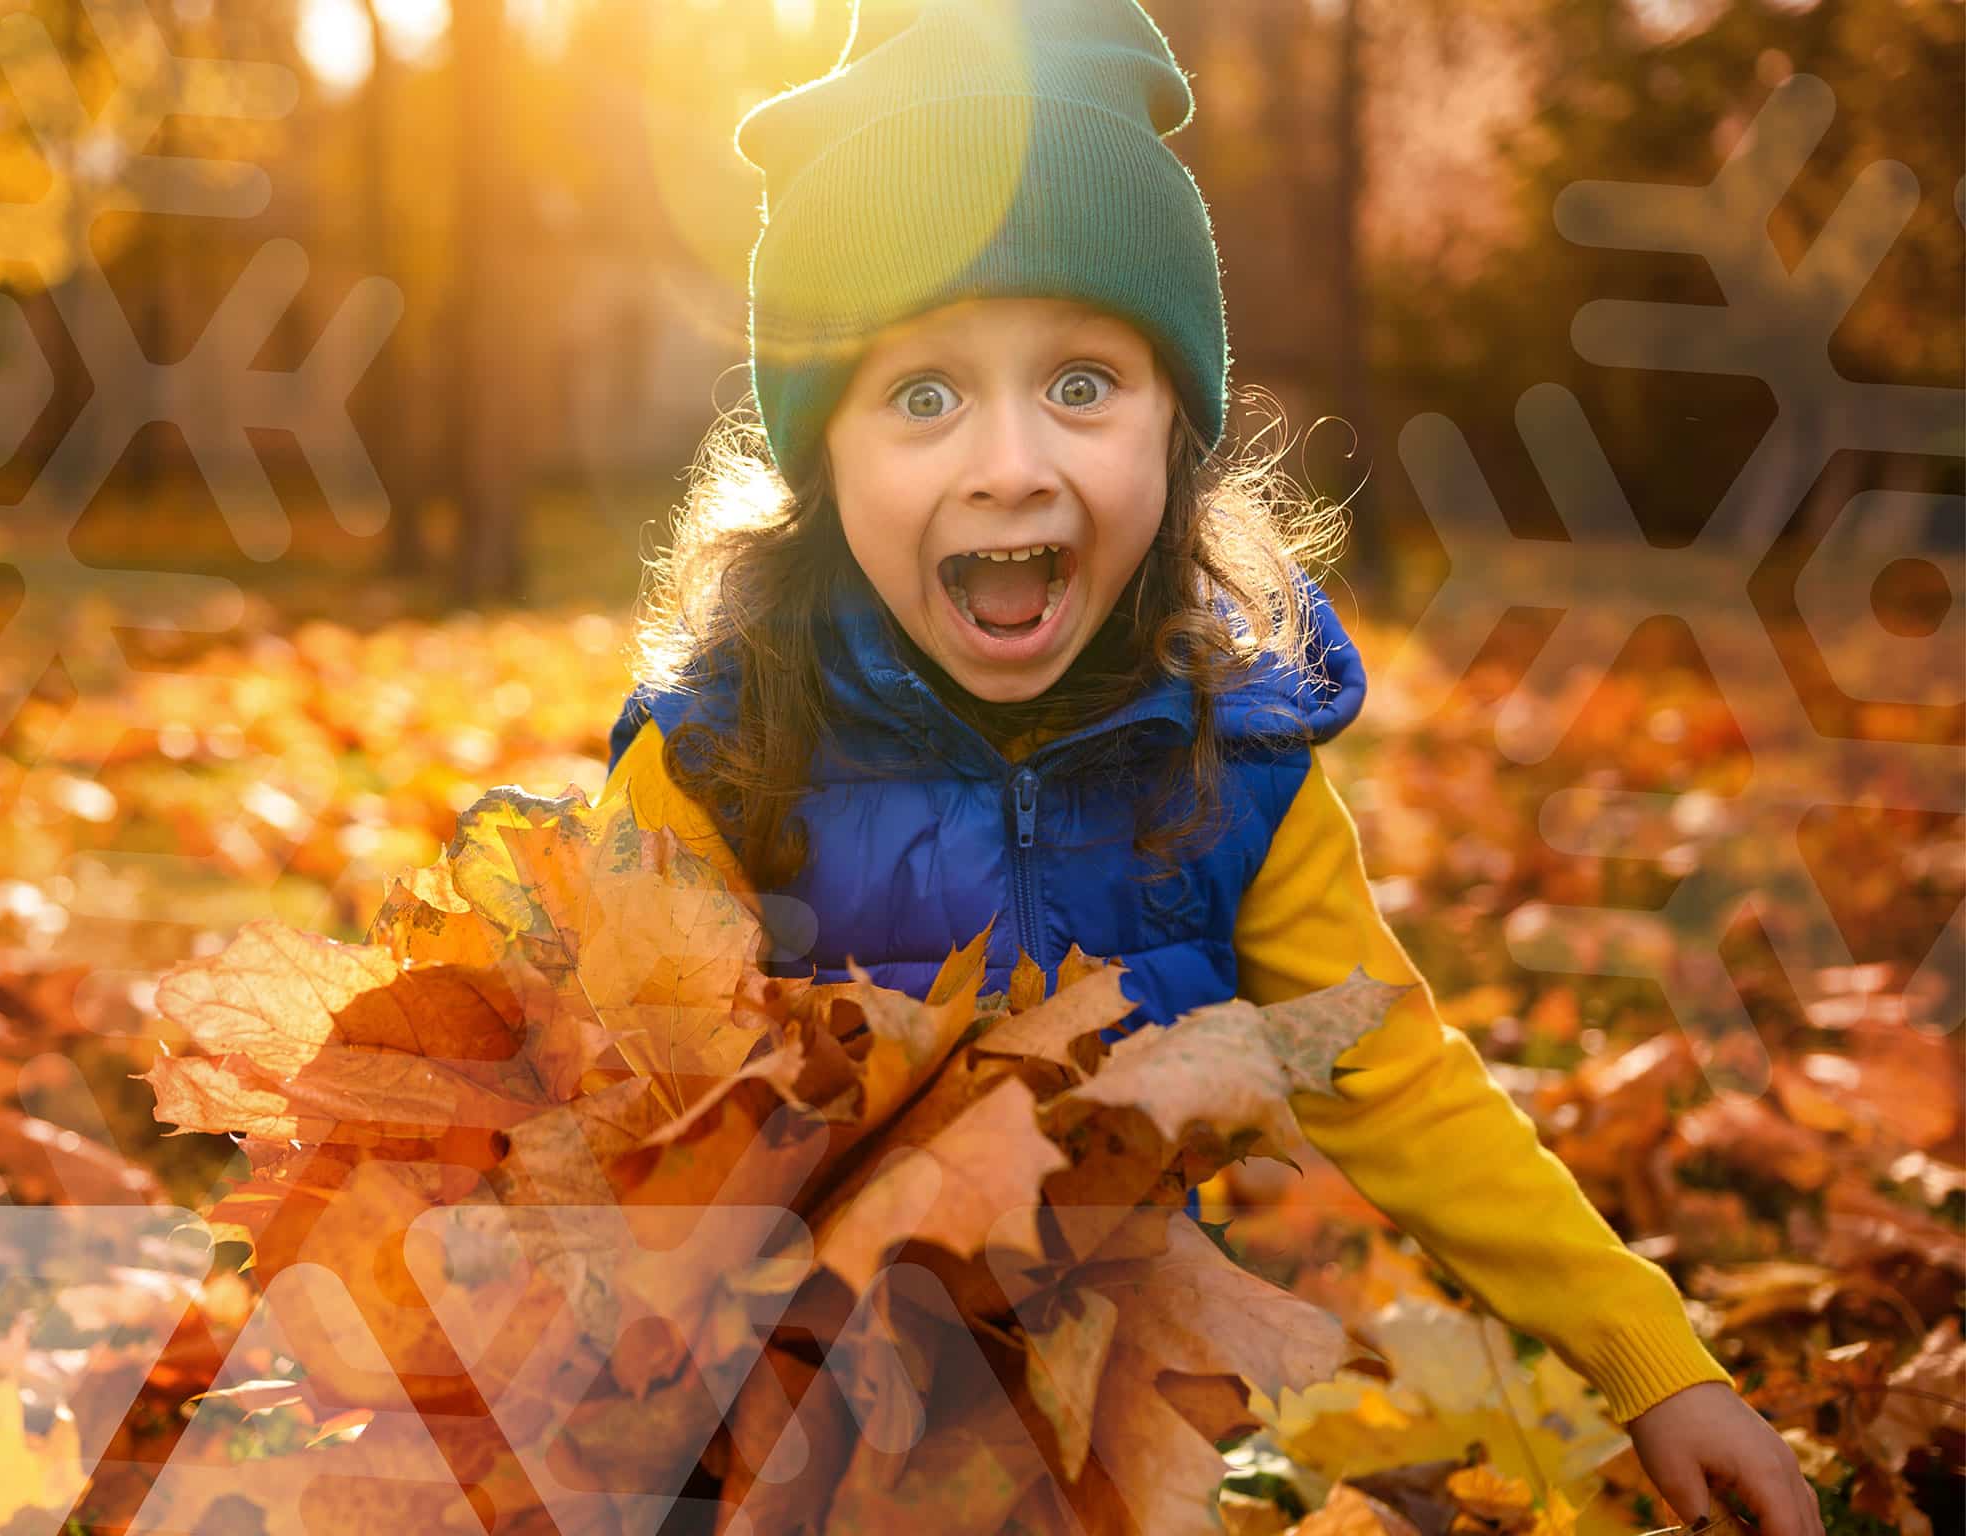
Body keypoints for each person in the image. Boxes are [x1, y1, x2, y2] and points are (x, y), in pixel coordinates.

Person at [599, 2, 1826, 1531]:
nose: (1009, 461)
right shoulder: (721, 757)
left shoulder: (1233, 762)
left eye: (1083, 382)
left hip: (1100, 1415)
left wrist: (1657, 1363)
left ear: (1175, 423)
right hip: (771, 1424)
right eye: (922, 395)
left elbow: (1393, 1076)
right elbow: (594, 1142)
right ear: (819, 449)